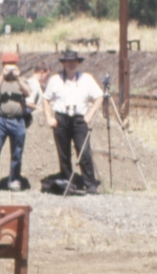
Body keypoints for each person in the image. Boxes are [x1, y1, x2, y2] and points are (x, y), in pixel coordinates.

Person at [43, 49, 103, 192]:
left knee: (84, 152)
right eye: (69, 62)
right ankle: (68, 182)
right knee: (63, 153)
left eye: (74, 62)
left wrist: (89, 115)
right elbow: (46, 99)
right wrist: (49, 118)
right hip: (61, 118)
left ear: (78, 63)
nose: (72, 64)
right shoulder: (55, 80)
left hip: (79, 118)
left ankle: (90, 184)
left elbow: (99, 97)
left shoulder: (86, 79)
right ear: (64, 63)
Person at [0, 50, 32, 190]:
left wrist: (18, 78)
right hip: (1, 120)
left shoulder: (22, 80)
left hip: (18, 121)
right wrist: (3, 76)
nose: (10, 69)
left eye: (13, 65)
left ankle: (14, 179)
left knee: (17, 152)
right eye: (7, 65)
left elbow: (28, 93)